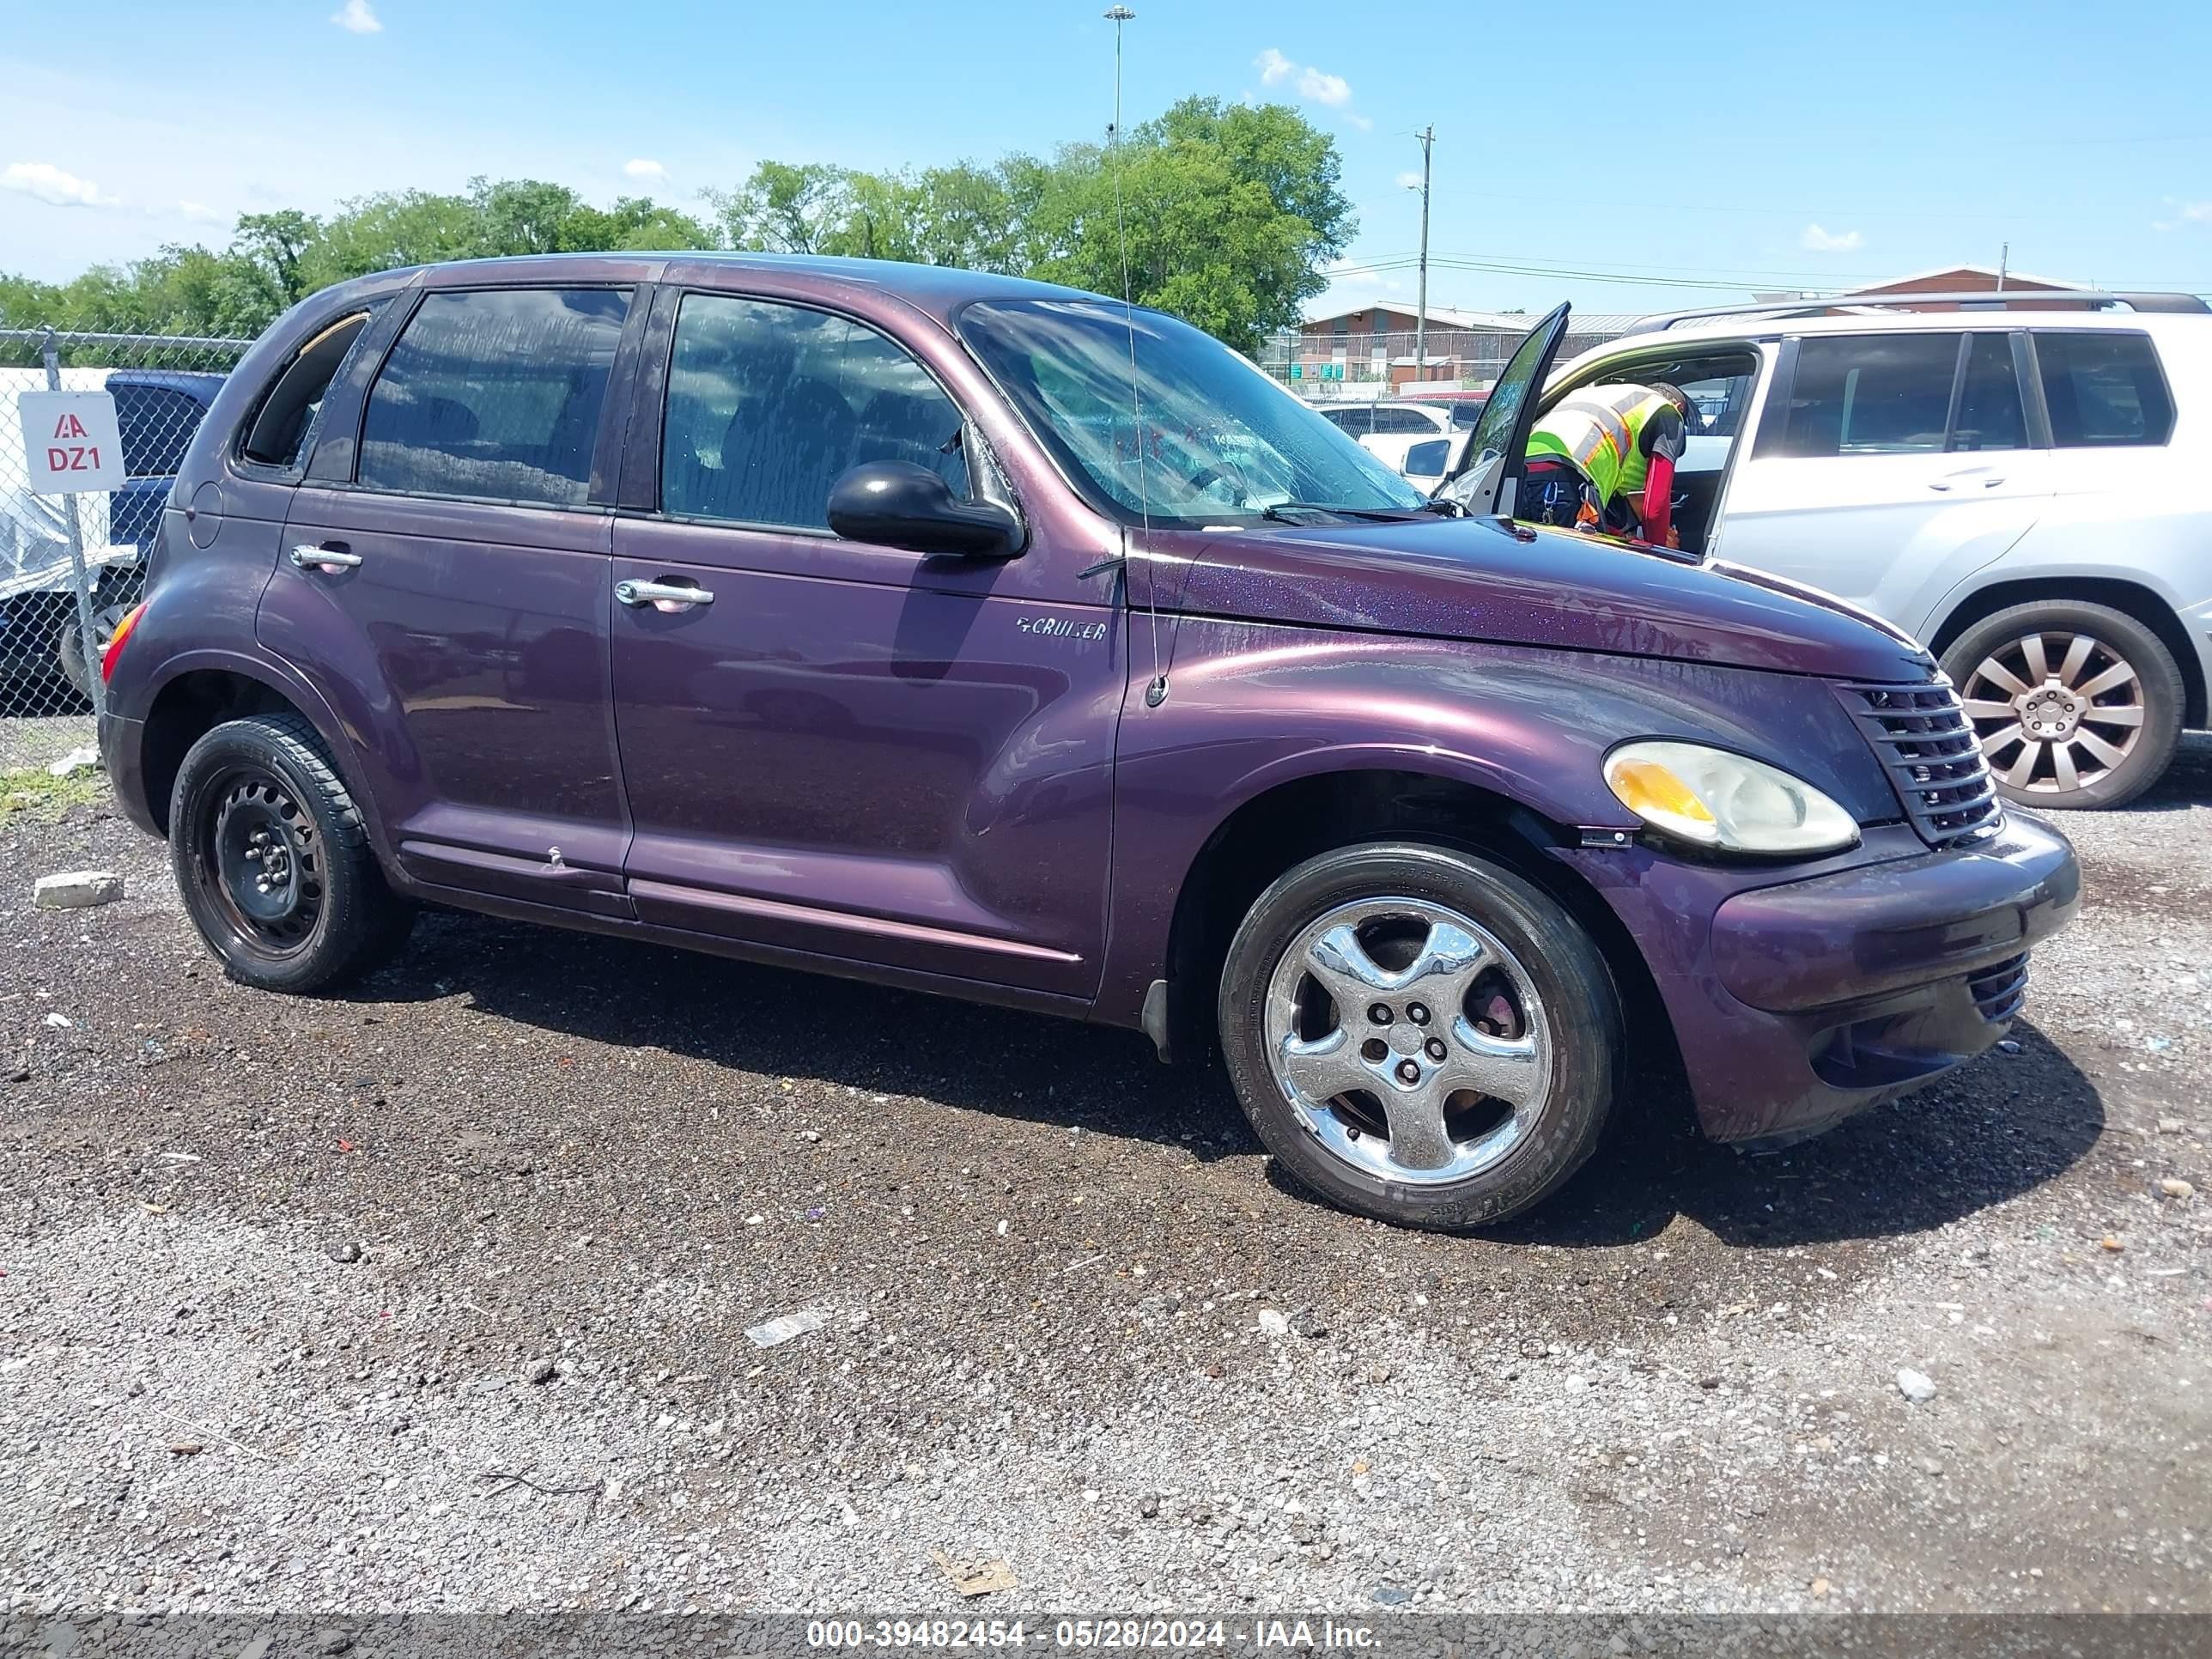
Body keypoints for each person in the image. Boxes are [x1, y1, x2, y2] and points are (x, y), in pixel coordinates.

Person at [1520, 382, 1693, 544]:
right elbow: (1655, 506)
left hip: (1522, 475)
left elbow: (1614, 511)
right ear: (1679, 408)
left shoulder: (1616, 401)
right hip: (1568, 480)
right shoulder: (1667, 411)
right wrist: (1661, 549)